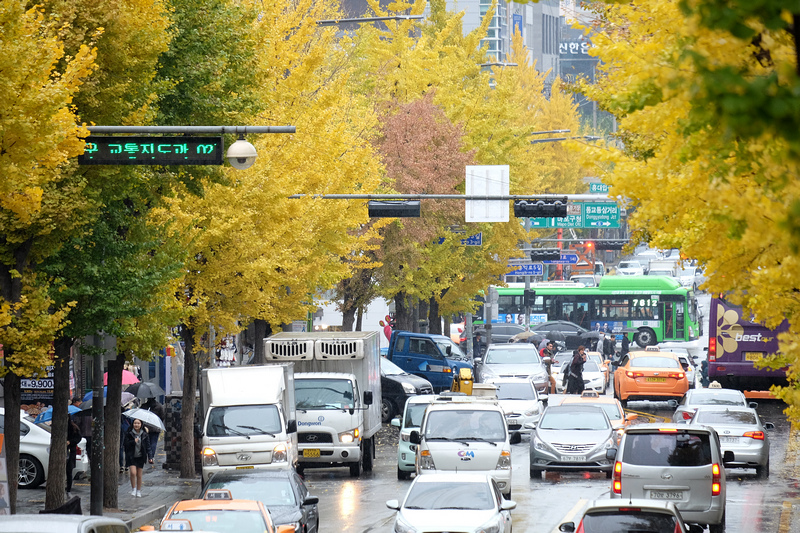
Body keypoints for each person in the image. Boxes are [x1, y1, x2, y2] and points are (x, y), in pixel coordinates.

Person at [123, 418, 151, 497]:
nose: (136, 425)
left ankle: (138, 490)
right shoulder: (129, 433)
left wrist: (150, 457)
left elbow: (148, 446)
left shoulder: (144, 434)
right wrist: (133, 442)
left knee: (139, 475)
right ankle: (133, 489)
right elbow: (125, 444)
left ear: (141, 424)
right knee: (133, 472)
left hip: (141, 457)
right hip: (131, 456)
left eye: (138, 423)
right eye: (135, 423)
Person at [142, 397, 165, 465]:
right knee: (153, 443)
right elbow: (162, 416)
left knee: (146, 442)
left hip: (146, 427)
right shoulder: (159, 406)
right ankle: (151, 457)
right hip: (155, 427)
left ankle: (146, 455)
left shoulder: (144, 406)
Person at [66, 415, 81, 495]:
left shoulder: (73, 427)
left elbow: (78, 437)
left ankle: (68, 488)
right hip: (69, 450)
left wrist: (70, 442)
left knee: (69, 471)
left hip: (71, 450)